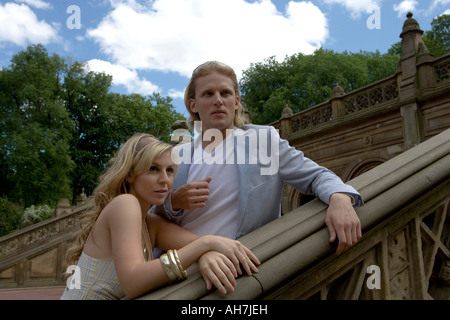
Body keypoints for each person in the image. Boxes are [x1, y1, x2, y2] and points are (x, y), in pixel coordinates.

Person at [153, 61, 364, 255]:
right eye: (208, 94)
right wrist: (172, 202)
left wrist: (340, 198)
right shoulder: (177, 155)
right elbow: (150, 216)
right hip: (184, 265)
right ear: (193, 105)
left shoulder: (263, 142)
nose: (218, 100)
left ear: (235, 102)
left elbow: (316, 177)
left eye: (225, 93)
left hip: (241, 269)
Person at [61, 133, 260, 300]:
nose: (165, 180)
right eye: (153, 169)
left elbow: (196, 244)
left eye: (170, 171)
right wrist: (206, 244)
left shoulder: (152, 225)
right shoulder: (124, 204)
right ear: (130, 174)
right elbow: (133, 282)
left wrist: (206, 253)